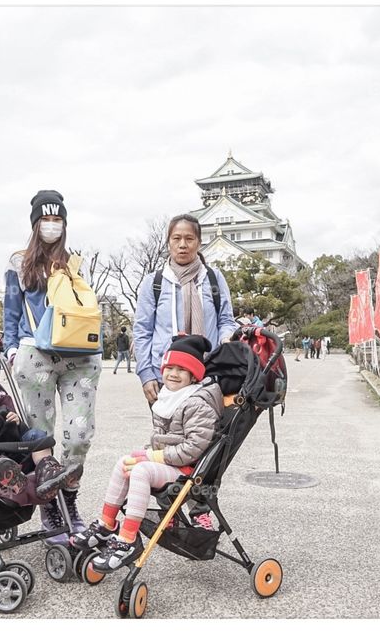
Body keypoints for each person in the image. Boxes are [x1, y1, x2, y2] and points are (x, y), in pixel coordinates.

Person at [71, 336, 221, 572]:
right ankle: (107, 523)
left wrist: (153, 457)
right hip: (171, 461)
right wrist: (149, 453)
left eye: (182, 369)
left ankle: (127, 539)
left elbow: (193, 448)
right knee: (125, 462)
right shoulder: (170, 397)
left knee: (140, 470)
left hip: (188, 469)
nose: (173, 373)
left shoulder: (197, 403)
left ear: (194, 376)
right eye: (169, 367)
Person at [3, 189, 101, 544]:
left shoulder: (74, 262)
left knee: (79, 436)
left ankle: (70, 499)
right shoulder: (18, 264)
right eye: (46, 219)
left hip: (80, 356)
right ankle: (50, 508)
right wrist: (12, 349)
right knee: (39, 435)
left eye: (58, 219)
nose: (52, 225)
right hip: (36, 354)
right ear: (35, 223)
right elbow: (10, 313)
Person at [132, 213, 236, 530]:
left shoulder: (214, 280)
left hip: (207, 377)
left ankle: (200, 506)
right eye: (176, 238)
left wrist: (229, 339)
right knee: (168, 441)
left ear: (199, 242)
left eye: (189, 238)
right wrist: (146, 374)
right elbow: (142, 331)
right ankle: (171, 505)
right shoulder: (154, 283)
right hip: (167, 376)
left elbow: (226, 320)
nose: (182, 244)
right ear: (168, 242)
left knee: (209, 445)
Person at [0, 372, 82, 505]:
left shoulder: (1, 411)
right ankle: (0, 467)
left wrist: (18, 423)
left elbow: (23, 436)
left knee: (36, 434)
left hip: (15, 457)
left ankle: (47, 471)